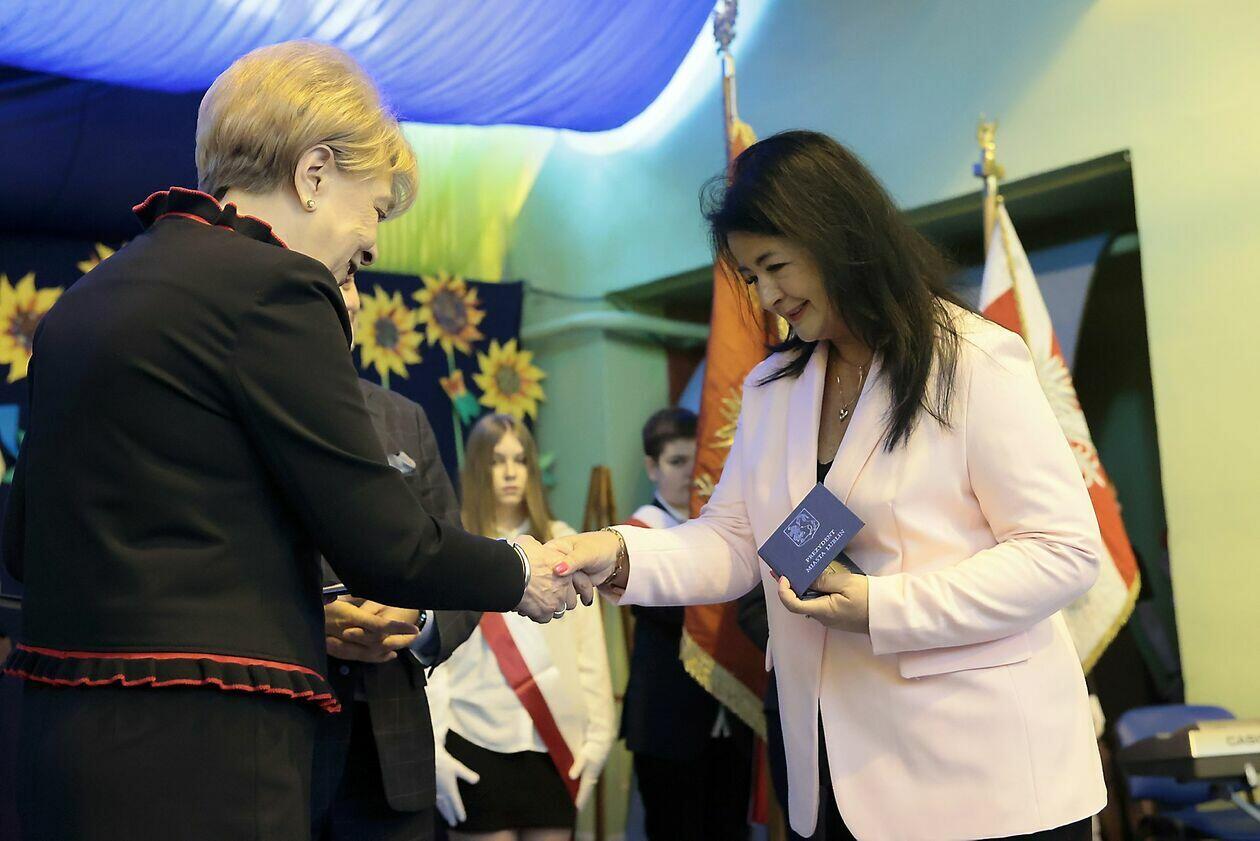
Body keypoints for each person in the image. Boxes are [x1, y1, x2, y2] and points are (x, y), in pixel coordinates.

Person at [1, 41, 575, 841]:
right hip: (212, 754)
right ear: (313, 175)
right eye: (375, 208)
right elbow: (388, 545)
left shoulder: (82, 305)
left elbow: (23, 542)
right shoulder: (278, 288)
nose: (372, 245)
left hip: (59, 749)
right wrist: (519, 570)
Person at [553, 130, 1107, 841]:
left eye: (776, 266)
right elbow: (734, 541)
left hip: (982, 769)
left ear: (838, 235)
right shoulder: (773, 389)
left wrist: (883, 606)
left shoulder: (973, 361)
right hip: (833, 771)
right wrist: (615, 552)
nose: (767, 295)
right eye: (750, 276)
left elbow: (1062, 551)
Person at [429, 414, 615, 841]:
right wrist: (433, 741)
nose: (511, 472)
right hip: (473, 735)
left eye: (520, 459)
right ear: (477, 468)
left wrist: (599, 737)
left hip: (554, 739)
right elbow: (437, 654)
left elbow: (589, 651)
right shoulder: (455, 546)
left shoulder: (564, 541)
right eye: (497, 461)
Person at [620, 407, 753, 841]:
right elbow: (670, 608)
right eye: (677, 462)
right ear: (652, 467)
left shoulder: (725, 530)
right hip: (669, 722)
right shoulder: (639, 531)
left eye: (698, 461)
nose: (690, 473)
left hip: (729, 718)